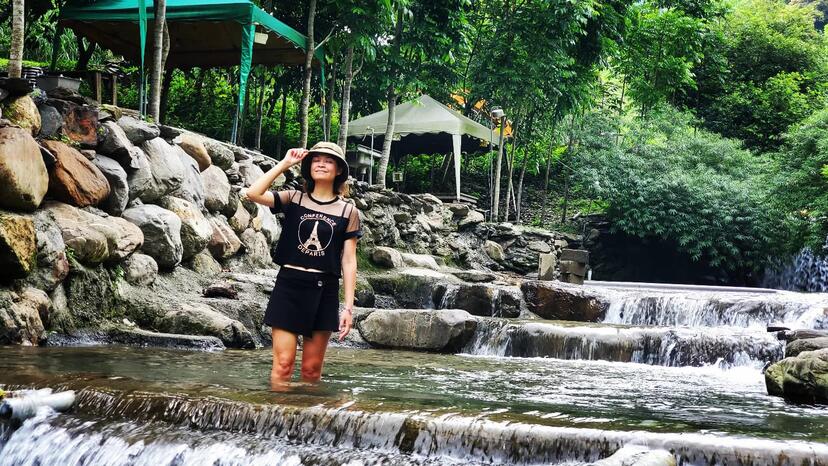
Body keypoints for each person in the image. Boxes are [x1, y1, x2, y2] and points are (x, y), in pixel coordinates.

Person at [243, 142, 361, 385]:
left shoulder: (348, 212)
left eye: (328, 161)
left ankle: (306, 410)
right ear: (309, 166)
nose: (321, 164)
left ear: (339, 169)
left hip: (325, 289)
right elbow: (253, 193)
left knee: (311, 370)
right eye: (316, 159)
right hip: (289, 285)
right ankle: (278, 409)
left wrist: (348, 308)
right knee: (283, 365)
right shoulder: (294, 198)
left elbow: (349, 261)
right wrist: (285, 163)